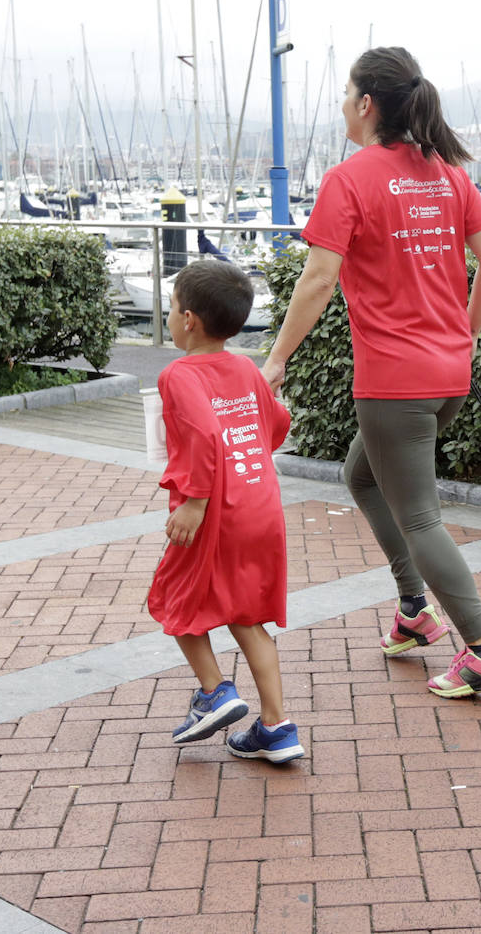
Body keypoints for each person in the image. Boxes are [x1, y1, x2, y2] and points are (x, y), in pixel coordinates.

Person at [263, 46, 481, 699]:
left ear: (367, 103)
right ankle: (413, 611)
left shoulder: (351, 178)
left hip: (395, 382)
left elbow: (319, 279)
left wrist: (276, 358)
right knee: (361, 476)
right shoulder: (447, 173)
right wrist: (464, 334)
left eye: (347, 93)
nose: (342, 105)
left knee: (421, 518)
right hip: (447, 377)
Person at [148, 259, 304, 762]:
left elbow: (204, 434)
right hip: (261, 505)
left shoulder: (177, 375)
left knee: (175, 596)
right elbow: (276, 425)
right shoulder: (243, 367)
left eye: (172, 308)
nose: (171, 317)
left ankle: (215, 692)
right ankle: (277, 728)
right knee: (245, 615)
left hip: (214, 510)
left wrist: (194, 501)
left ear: (189, 319)